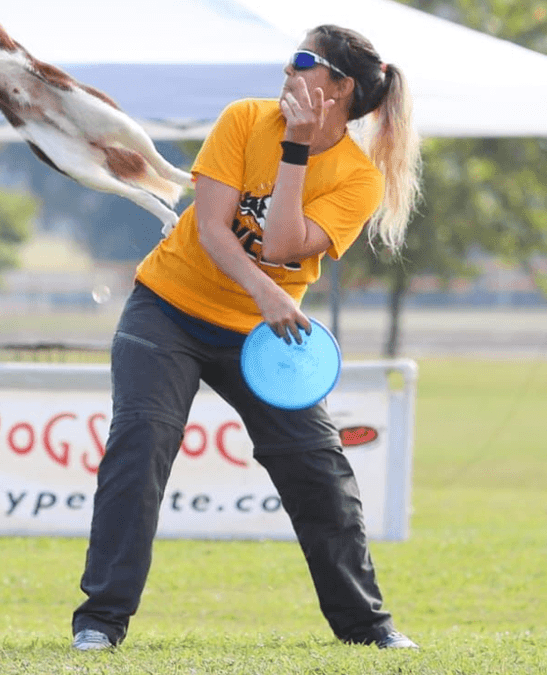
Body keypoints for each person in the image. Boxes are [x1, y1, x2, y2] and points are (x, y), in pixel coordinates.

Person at [71, 24, 423, 652]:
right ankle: (100, 623)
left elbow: (283, 246)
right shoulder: (243, 119)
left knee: (319, 470)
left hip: (263, 335)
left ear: (339, 87)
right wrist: (266, 293)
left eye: (304, 60)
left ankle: (368, 629)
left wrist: (296, 150)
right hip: (167, 310)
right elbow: (211, 229)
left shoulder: (358, 178)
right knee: (140, 447)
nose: (288, 69)